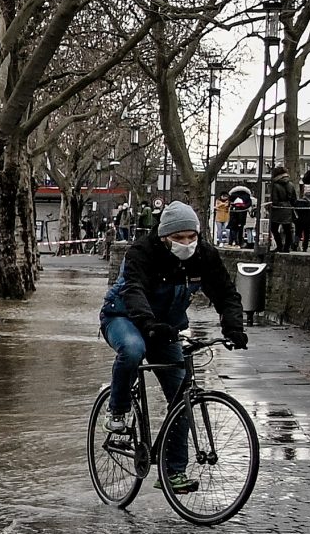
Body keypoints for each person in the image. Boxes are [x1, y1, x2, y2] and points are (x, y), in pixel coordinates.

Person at [101, 202, 248, 493]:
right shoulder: (142, 253)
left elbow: (225, 292)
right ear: (165, 237)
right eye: (179, 238)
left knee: (183, 400)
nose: (187, 243)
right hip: (125, 317)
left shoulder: (204, 255)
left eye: (191, 237)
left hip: (167, 327)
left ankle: (173, 473)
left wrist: (233, 327)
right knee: (132, 350)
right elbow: (134, 290)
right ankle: (116, 411)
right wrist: (148, 324)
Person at [266, 164, 300, 252]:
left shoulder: (275, 185)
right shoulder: (291, 184)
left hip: (278, 209)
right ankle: (287, 247)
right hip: (288, 208)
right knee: (288, 229)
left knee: (274, 228)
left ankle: (280, 245)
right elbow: (294, 199)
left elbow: (275, 200)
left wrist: (270, 206)